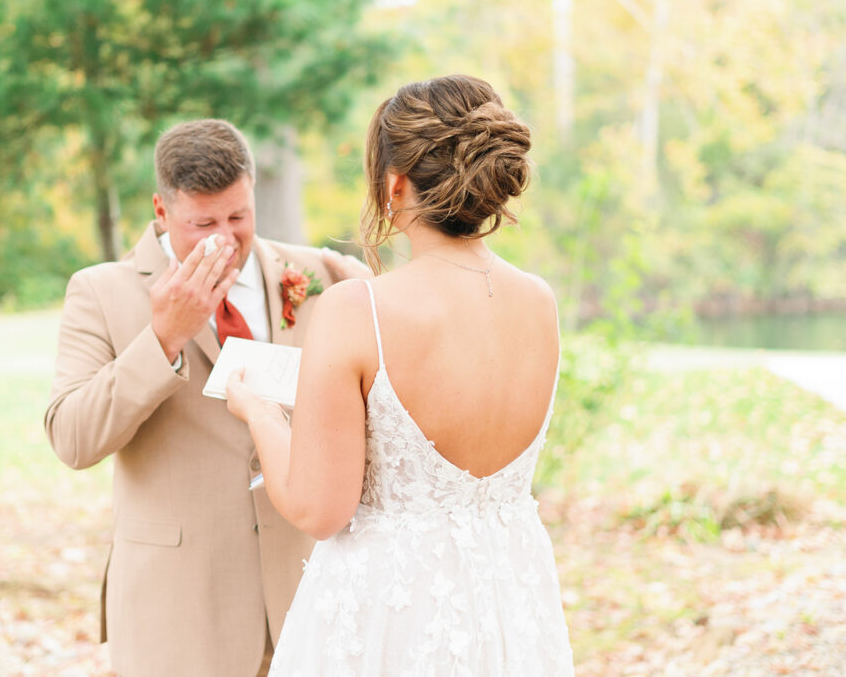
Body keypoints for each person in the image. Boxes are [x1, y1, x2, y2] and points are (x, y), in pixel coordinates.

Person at [226, 75, 575, 675]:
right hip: (510, 604)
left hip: (392, 616)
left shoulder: (359, 310)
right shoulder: (538, 301)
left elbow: (318, 509)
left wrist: (258, 410)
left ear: (394, 185)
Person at [44, 119, 369, 676]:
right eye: (203, 222)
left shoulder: (316, 275)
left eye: (239, 217)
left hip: (306, 598)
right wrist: (163, 338)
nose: (225, 237)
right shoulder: (100, 291)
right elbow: (72, 439)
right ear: (161, 209)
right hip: (177, 612)